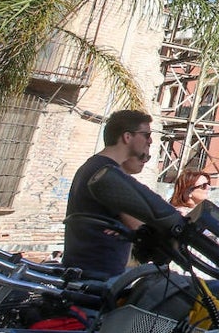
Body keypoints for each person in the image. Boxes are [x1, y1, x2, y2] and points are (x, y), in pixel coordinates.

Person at [63, 109, 155, 278]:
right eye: (146, 134)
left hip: (85, 268)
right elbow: (140, 225)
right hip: (99, 274)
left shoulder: (93, 166)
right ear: (127, 137)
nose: (150, 140)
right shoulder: (109, 174)